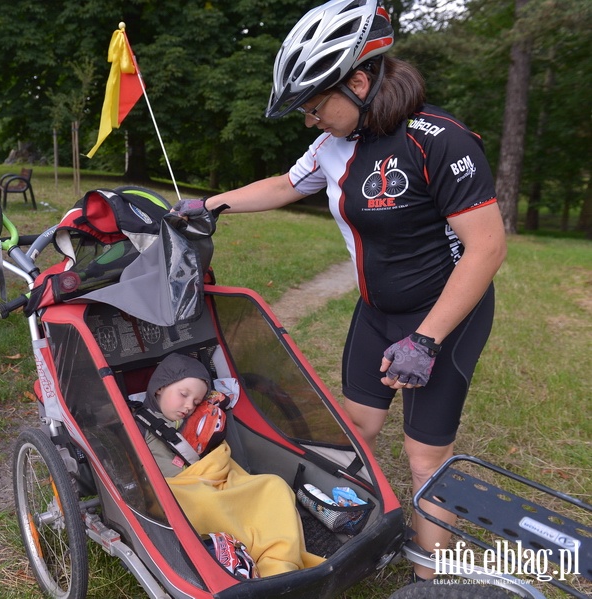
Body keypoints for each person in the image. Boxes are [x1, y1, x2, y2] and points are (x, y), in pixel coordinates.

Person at [172, 0, 507, 582]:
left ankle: (431, 580)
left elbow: (487, 249)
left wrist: (425, 340)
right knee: (356, 426)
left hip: (445, 316)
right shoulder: (333, 145)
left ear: (358, 81)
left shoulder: (441, 140)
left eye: (314, 105)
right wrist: (211, 203)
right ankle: (356, 524)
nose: (309, 120)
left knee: (424, 451)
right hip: (377, 311)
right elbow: (284, 184)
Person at [138, 353, 325, 578]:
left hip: (212, 478)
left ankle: (278, 562)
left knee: (274, 485)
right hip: (177, 489)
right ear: (160, 387)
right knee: (203, 501)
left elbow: (217, 457)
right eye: (183, 395)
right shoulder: (138, 425)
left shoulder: (200, 417)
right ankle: (245, 553)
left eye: (196, 401)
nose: (188, 406)